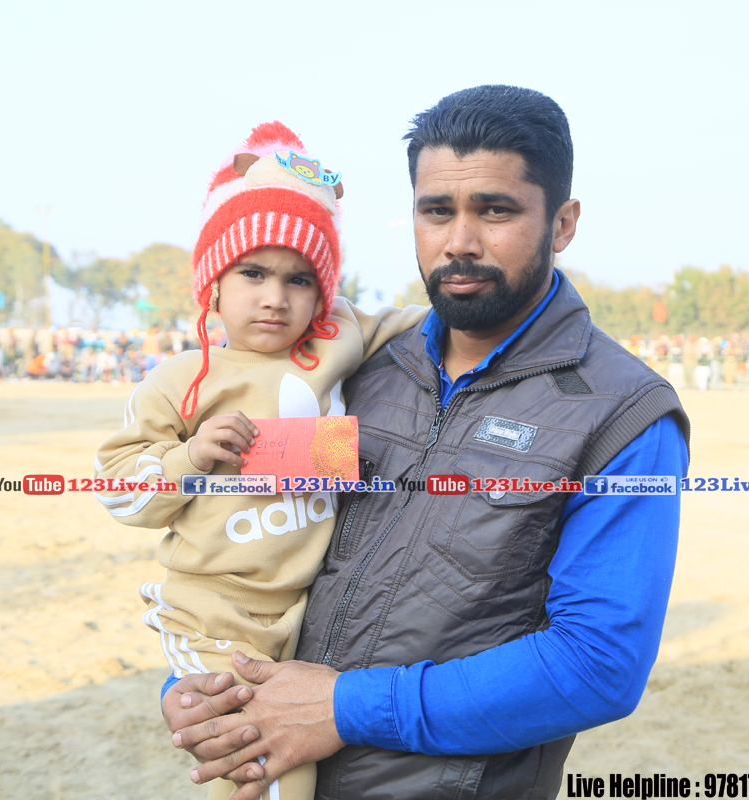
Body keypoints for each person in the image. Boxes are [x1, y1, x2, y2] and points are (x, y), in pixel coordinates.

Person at [162, 86, 691, 800]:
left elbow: (597, 666)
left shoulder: (622, 413)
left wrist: (343, 708)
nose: (459, 241)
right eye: (436, 210)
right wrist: (193, 680)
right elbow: (247, 538)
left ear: (562, 223)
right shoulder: (361, 367)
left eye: (495, 210)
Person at [93, 122, 428, 800]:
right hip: (213, 617)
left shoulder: (340, 337)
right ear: (212, 284)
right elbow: (118, 491)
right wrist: (189, 457)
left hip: (308, 616)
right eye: (252, 273)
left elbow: (434, 320)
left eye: (299, 279)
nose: (276, 297)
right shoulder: (181, 380)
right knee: (265, 766)